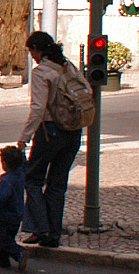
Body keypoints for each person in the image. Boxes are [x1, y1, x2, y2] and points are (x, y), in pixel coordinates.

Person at [17, 31, 90, 249]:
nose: (32, 56)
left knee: (32, 179)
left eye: (31, 51)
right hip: (73, 131)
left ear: (37, 50)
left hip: (51, 131)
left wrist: (24, 138)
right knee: (57, 184)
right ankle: (53, 234)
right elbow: (86, 89)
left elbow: (38, 108)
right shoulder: (68, 66)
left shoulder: (41, 72)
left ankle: (41, 228)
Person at [0, 144, 29, 272]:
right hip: (17, 214)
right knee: (8, 237)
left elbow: (2, 198)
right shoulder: (21, 174)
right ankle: (1, 260)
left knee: (5, 240)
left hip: (6, 216)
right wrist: (22, 153)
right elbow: (25, 165)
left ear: (4, 164)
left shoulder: (7, 180)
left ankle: (19, 253)